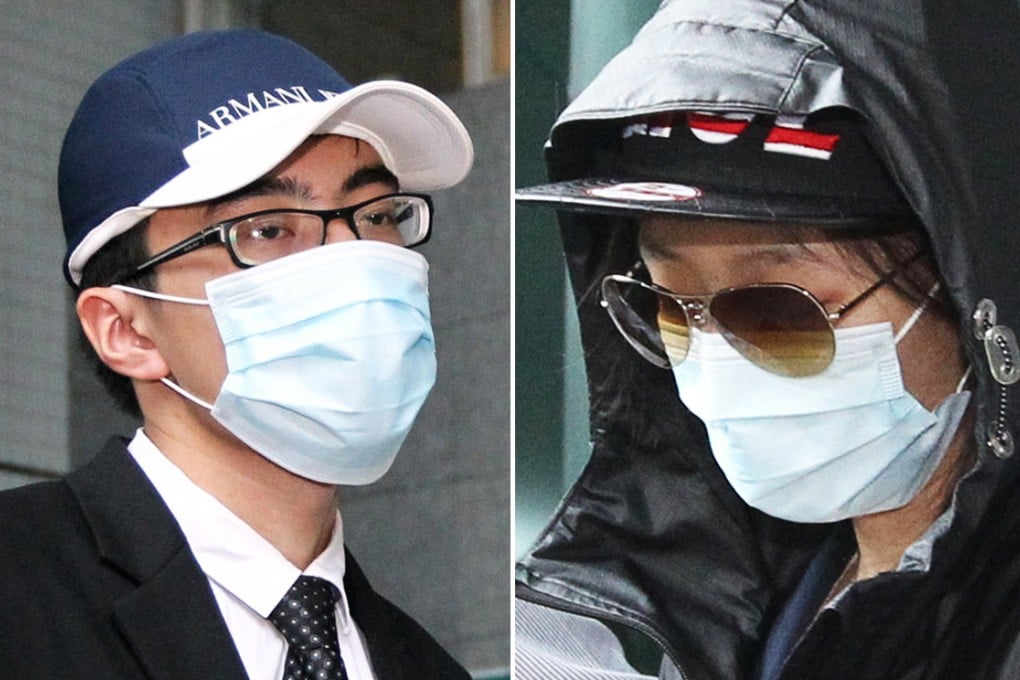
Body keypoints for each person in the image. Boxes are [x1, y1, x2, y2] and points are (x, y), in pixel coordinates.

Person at [515, 1, 1020, 679]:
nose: (717, 364)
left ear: (966, 292)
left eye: (778, 313)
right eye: (666, 305)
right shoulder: (696, 617)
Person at [0, 29, 474, 679]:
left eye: (378, 214)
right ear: (125, 330)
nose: (354, 260)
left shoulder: (426, 667)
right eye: (267, 229)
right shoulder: (20, 593)